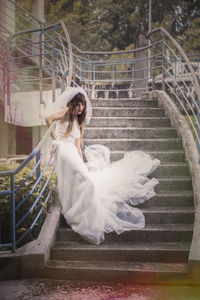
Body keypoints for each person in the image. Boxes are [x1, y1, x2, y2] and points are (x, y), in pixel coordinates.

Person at [45, 86, 160, 245]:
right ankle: (79, 212)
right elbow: (47, 118)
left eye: (83, 105)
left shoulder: (79, 123)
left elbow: (78, 146)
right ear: (72, 104)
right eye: (78, 104)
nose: (80, 108)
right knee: (86, 182)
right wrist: (55, 140)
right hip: (62, 150)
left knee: (86, 180)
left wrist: (82, 163)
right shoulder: (64, 113)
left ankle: (85, 211)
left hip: (72, 151)